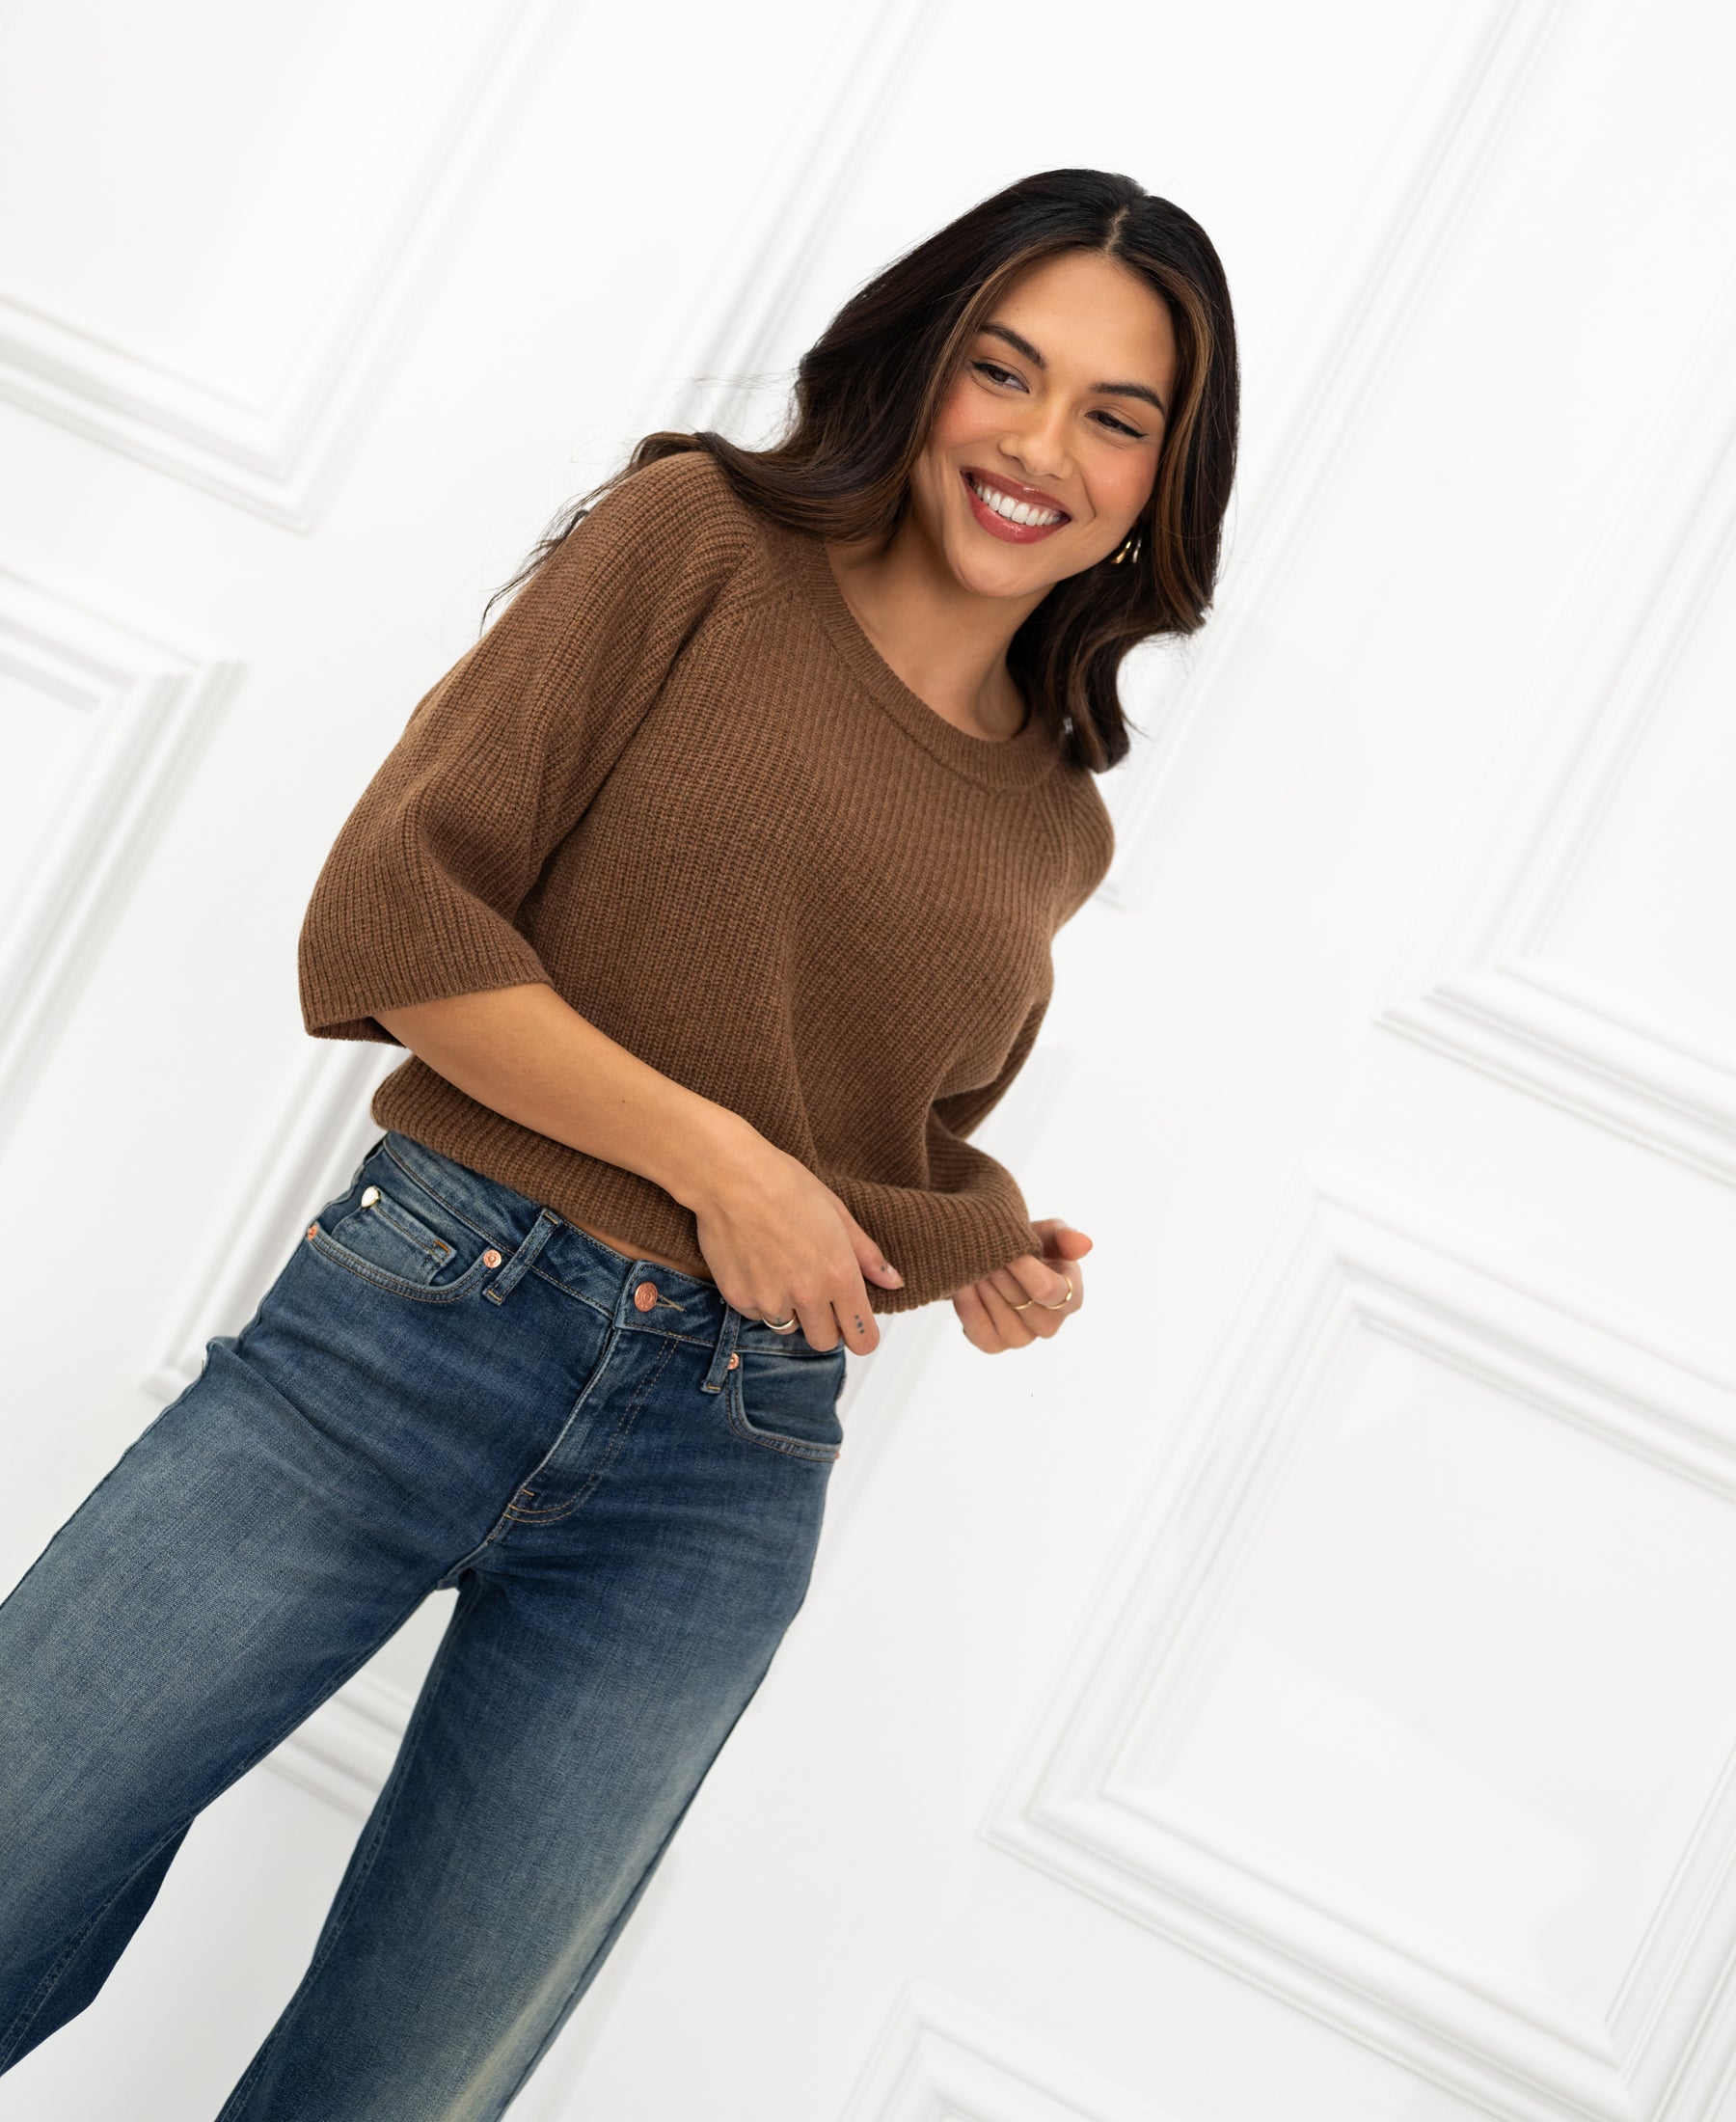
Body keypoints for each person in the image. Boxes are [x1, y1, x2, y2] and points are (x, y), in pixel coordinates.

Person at [0, 167, 1237, 2118]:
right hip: (415, 1322)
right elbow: (399, 927)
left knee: (401, 2085)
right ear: (922, 369)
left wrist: (972, 1236)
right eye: (1006, 371)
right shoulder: (700, 543)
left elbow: (860, 1156)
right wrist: (726, 1165)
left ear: (1167, 481)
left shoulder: (1057, 820)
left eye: (1116, 413)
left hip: (720, 1470)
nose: (1040, 444)